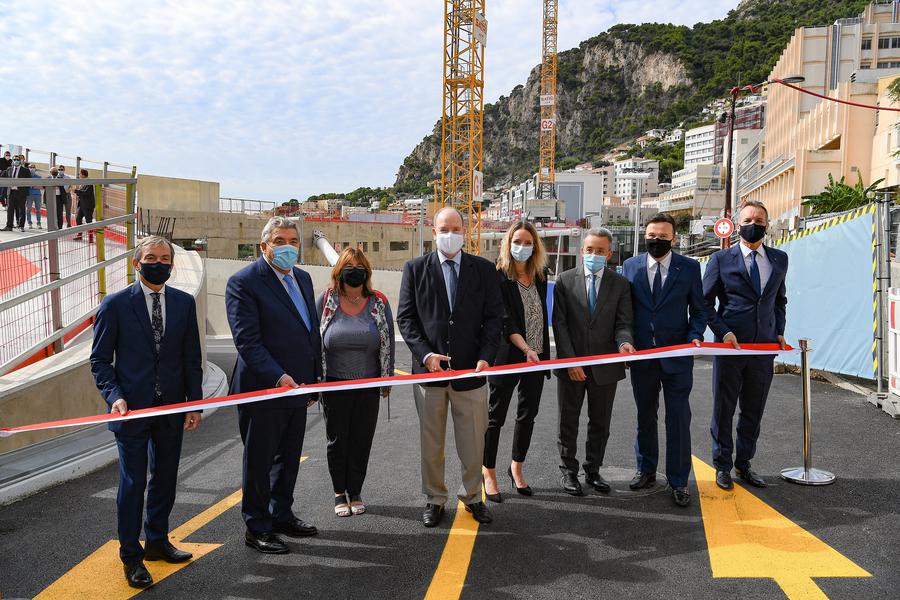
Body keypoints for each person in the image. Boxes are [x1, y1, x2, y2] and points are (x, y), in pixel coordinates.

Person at [89, 235, 203, 589]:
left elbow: (190, 357)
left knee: (166, 478)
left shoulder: (184, 303)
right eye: (151, 257)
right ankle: (131, 557)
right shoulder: (116, 304)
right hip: (131, 411)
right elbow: (100, 361)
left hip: (171, 408)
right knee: (133, 483)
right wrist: (115, 397)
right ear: (136, 264)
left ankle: (157, 541)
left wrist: (193, 401)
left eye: (165, 257)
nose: (159, 262)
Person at [397, 207, 503, 527]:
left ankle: (473, 496)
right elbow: (406, 318)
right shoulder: (415, 269)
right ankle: (434, 498)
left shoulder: (483, 270)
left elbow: (494, 318)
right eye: (444, 228)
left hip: (471, 373)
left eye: (456, 228)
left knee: (473, 443)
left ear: (465, 231)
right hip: (430, 376)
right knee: (432, 444)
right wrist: (426, 355)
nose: (450, 234)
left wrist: (486, 356)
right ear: (433, 232)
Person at [226, 216, 321, 555]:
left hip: (297, 388)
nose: (288, 247)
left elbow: (310, 332)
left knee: (288, 457)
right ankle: (257, 525)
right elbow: (248, 342)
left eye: (293, 241)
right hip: (264, 388)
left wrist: (313, 379)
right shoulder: (244, 282)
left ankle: (281, 514)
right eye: (280, 241)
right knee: (260, 460)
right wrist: (279, 377)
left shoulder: (304, 278)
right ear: (264, 245)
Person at [622, 213, 707, 507]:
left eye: (662, 236)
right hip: (643, 357)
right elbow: (626, 311)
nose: (656, 241)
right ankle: (646, 469)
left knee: (679, 418)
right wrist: (626, 341)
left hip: (677, 357)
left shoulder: (689, 268)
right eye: (651, 235)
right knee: (645, 416)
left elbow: (699, 310)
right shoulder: (630, 266)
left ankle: (679, 479)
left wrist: (695, 335)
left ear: (674, 238)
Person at [703, 200, 788, 490]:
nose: (754, 224)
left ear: (767, 224)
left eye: (760, 220)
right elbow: (705, 304)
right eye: (749, 219)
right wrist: (723, 331)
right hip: (730, 348)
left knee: (754, 409)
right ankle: (722, 465)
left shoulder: (779, 259)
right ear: (739, 224)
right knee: (723, 409)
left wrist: (779, 331)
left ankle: (744, 464)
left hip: (764, 350)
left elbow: (779, 301)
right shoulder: (721, 260)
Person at [553, 228, 635, 496]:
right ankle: (569, 472)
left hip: (606, 367)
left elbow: (623, 323)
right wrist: (570, 361)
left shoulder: (620, 284)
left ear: (609, 253)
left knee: (600, 422)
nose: (594, 255)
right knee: (568, 421)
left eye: (600, 251)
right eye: (590, 250)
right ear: (582, 251)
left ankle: (593, 470)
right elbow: (560, 326)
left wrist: (625, 343)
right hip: (572, 365)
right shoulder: (564, 281)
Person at [316, 247, 395, 517]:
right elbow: (313, 342)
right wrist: (315, 382)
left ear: (367, 272)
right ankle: (340, 492)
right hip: (334, 385)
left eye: (360, 266)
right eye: (349, 266)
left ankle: (356, 490)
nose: (355, 271)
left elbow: (388, 343)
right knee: (338, 440)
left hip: (368, 385)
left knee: (362, 440)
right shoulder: (326, 301)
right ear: (339, 271)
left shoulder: (379, 302)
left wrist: (386, 381)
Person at [482, 221, 551, 502]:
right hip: (508, 357)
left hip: (537, 357)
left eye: (527, 242)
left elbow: (540, 314)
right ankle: (489, 472)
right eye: (517, 242)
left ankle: (517, 468)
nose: (522, 247)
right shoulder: (498, 276)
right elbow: (505, 319)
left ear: (535, 247)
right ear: (508, 244)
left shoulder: (541, 274)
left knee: (527, 415)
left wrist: (537, 352)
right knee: (495, 417)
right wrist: (525, 348)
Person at [1, 155, 31, 231]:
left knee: (21, 209)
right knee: (10, 210)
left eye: (17, 159)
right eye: (14, 159)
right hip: (11, 193)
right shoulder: (9, 169)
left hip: (21, 193)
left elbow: (29, 182)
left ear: (20, 161)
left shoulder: (25, 170)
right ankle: (9, 226)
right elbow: (2, 177)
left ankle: (21, 226)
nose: (16, 160)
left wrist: (25, 192)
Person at [74, 168, 96, 241]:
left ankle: (90, 238)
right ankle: (79, 235)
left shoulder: (89, 182)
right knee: (78, 218)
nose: (79, 175)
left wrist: (76, 191)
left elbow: (86, 193)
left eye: (79, 174)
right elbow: (82, 193)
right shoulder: (82, 182)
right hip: (82, 205)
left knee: (88, 221)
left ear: (83, 174)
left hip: (88, 205)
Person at [50, 165, 73, 230]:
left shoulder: (68, 177)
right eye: (59, 169)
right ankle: (59, 226)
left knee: (68, 210)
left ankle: (69, 224)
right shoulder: (56, 177)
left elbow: (71, 186)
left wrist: (68, 190)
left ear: (64, 170)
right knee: (59, 211)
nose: (60, 170)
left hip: (67, 195)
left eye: (61, 169)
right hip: (59, 196)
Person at [26, 164, 42, 229]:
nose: (32, 168)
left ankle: (39, 223)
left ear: (35, 168)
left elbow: (41, 186)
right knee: (28, 209)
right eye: (30, 167)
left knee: (38, 210)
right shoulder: (26, 177)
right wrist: (34, 186)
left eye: (33, 167)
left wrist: (32, 186)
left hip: (38, 195)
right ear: (28, 168)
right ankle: (29, 223)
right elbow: (27, 186)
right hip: (29, 195)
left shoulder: (38, 177)